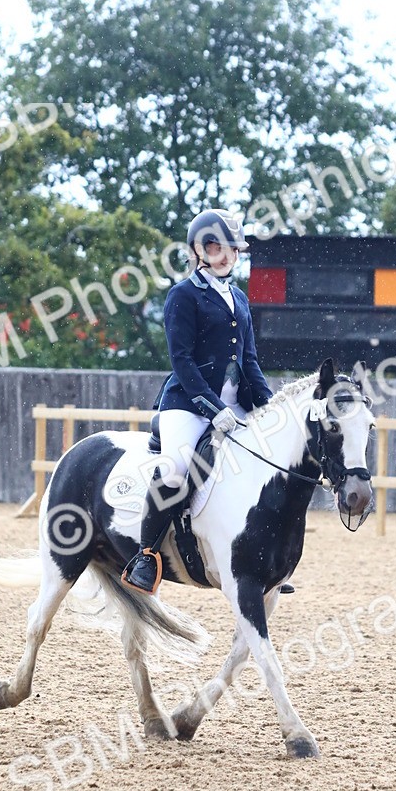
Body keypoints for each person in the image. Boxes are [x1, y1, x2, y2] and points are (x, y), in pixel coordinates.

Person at [121, 208, 276, 595]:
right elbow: (183, 362)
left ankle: (267, 557)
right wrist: (213, 409)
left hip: (234, 404)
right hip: (187, 404)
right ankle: (146, 555)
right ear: (199, 249)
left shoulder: (239, 298)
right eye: (219, 248)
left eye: (234, 250)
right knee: (175, 468)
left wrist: (271, 408)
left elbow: (250, 361)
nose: (228, 257)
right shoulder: (183, 295)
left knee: (271, 463)